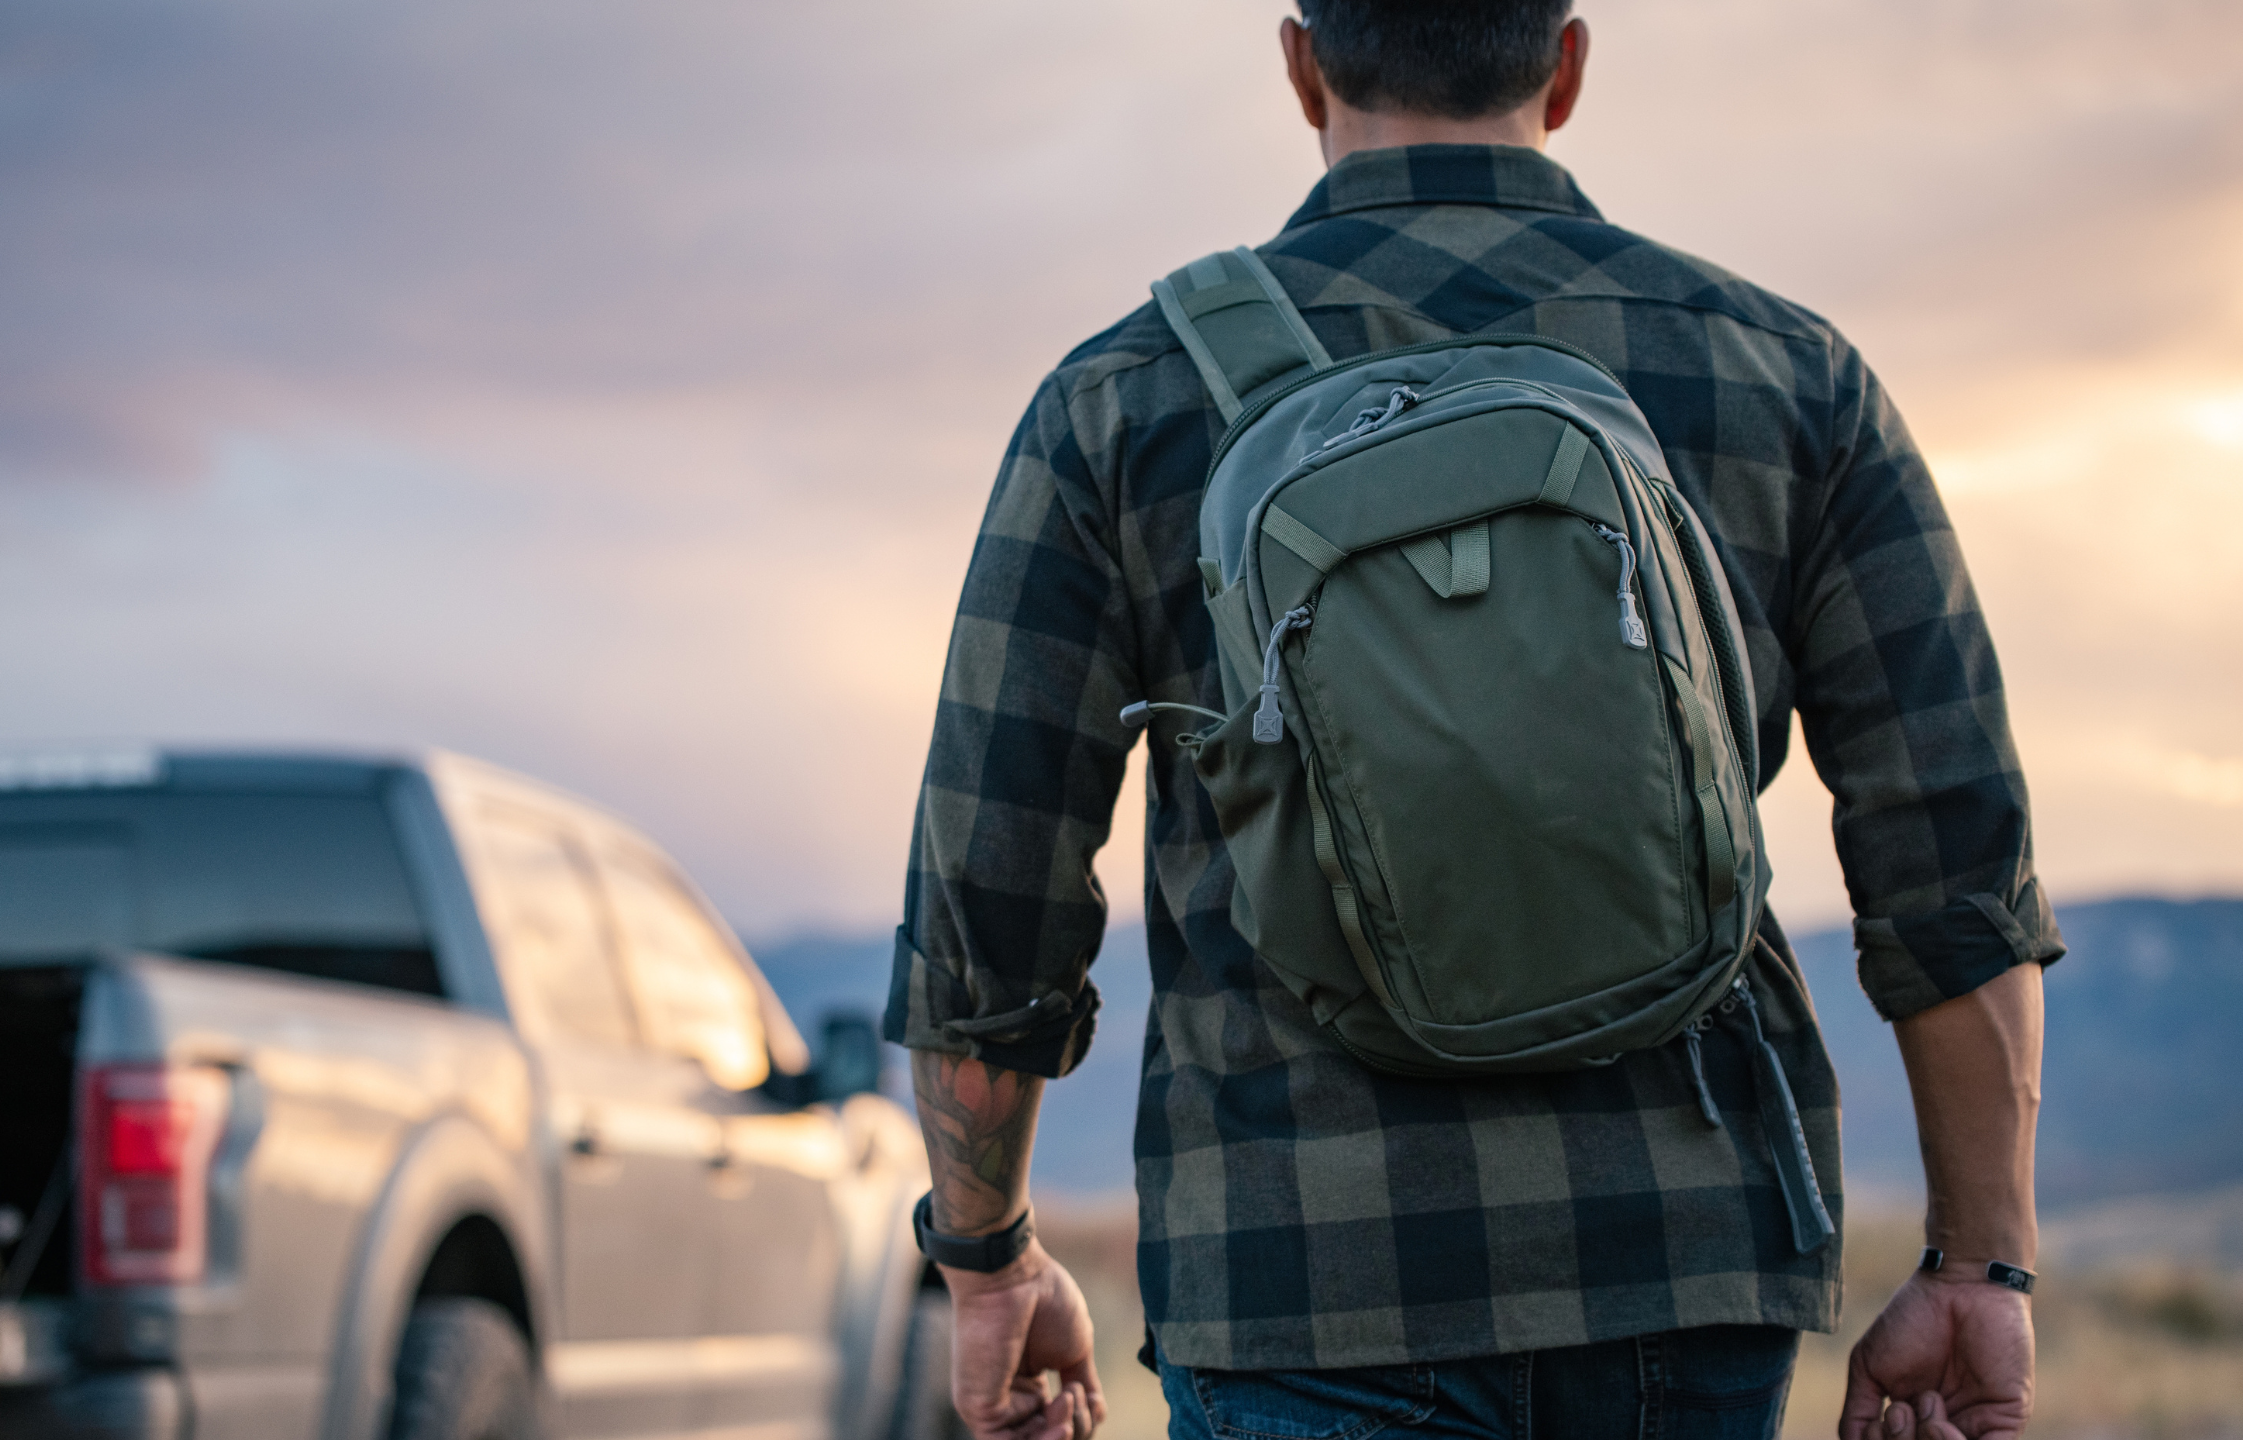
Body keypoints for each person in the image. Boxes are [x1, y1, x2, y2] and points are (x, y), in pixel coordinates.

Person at [884, 4, 2062, 1437]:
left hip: (1306, 1262)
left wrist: (988, 1257)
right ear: (1564, 66)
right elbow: (1954, 862)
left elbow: (988, 894)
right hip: (1683, 1254)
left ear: (1302, 64)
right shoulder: (1784, 375)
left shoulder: (1121, 402)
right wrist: (1978, 1265)